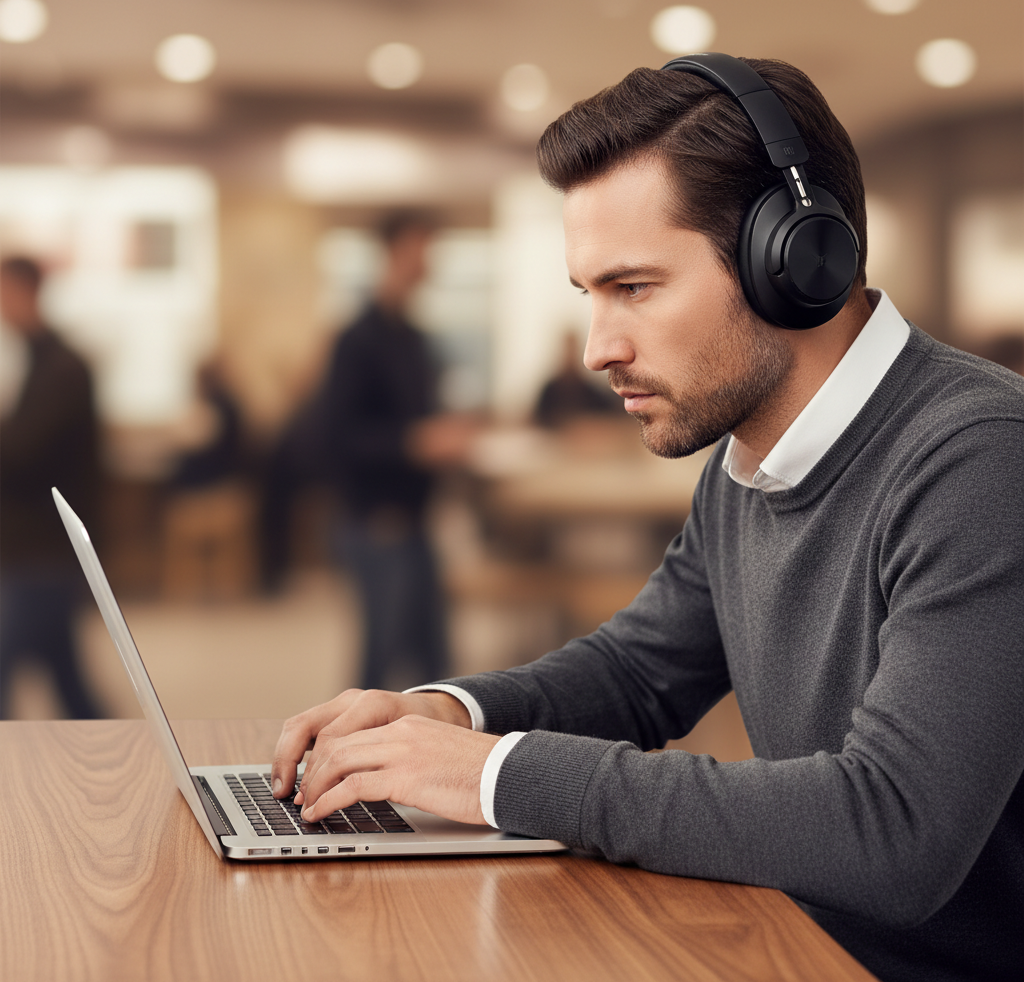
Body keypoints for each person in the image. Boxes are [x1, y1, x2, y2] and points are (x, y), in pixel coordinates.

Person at [269, 58, 1023, 982]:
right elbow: (638, 673)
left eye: (633, 288)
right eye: (589, 294)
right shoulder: (746, 462)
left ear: (795, 259)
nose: (599, 349)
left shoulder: (983, 461)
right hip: (792, 942)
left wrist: (491, 774)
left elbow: (892, 832)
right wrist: (448, 713)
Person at [320, 211, 474, 691]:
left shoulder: (415, 338)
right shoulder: (357, 339)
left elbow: (421, 417)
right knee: (380, 666)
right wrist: (415, 441)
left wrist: (447, 433)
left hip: (417, 519)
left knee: (436, 667)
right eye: (420, 249)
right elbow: (338, 437)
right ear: (392, 252)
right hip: (376, 521)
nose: (428, 262)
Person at [0, 256, 103, 719]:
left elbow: (23, 453)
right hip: (35, 548)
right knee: (69, 683)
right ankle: (118, 748)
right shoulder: (40, 362)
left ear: (23, 292)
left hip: (44, 550)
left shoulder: (62, 368)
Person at [532, 330, 621, 428]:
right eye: (566, 349)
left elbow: (610, 414)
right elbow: (538, 419)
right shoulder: (550, 389)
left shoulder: (589, 389)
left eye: (573, 349)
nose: (569, 355)